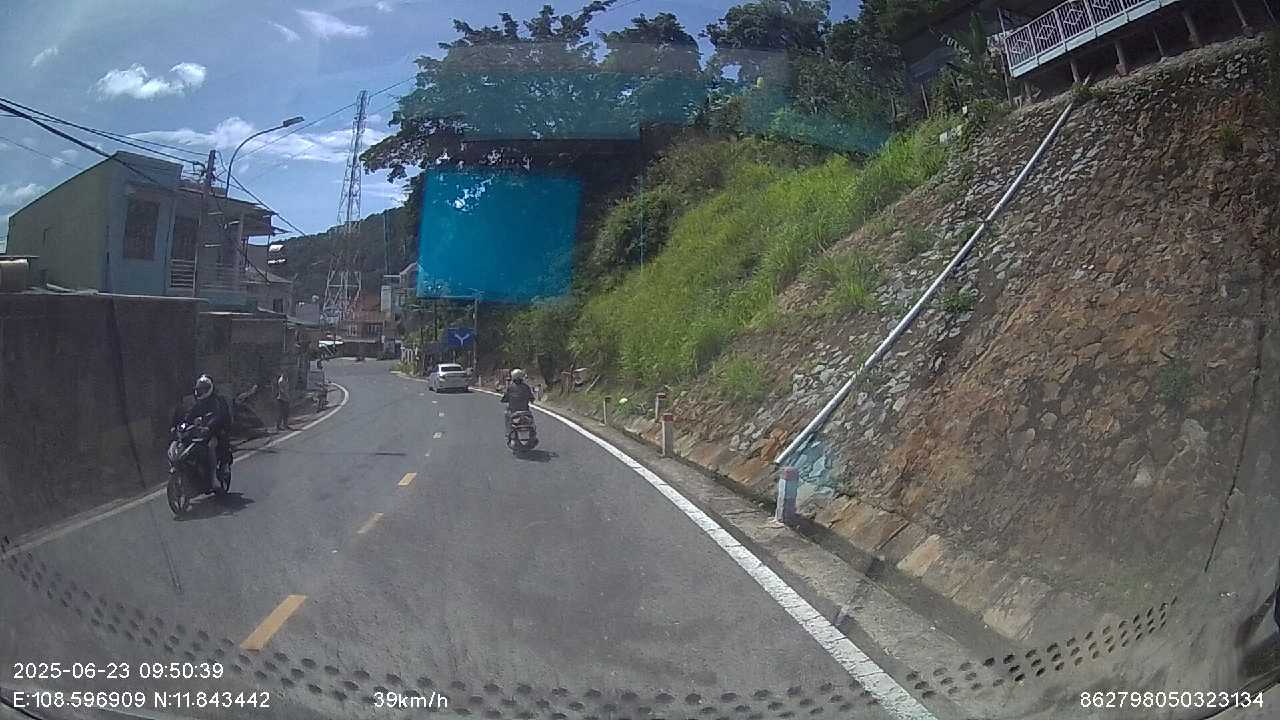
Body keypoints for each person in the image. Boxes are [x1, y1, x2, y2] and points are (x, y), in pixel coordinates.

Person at [180, 374, 231, 481]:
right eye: (200, 389)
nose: (201, 392)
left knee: (211, 446)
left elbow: (219, 416)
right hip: (201, 434)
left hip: (215, 432)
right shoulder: (198, 404)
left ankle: (214, 476)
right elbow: (189, 417)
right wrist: (182, 426)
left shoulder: (218, 401)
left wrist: (209, 426)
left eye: (204, 389)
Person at [500, 368, 536, 432]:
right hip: (525, 411)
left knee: (506, 414)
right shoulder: (526, 387)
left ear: (513, 377)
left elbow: (504, 398)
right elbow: (532, 398)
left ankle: (508, 431)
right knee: (531, 418)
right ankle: (533, 431)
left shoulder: (510, 387)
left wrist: (504, 400)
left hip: (514, 412)